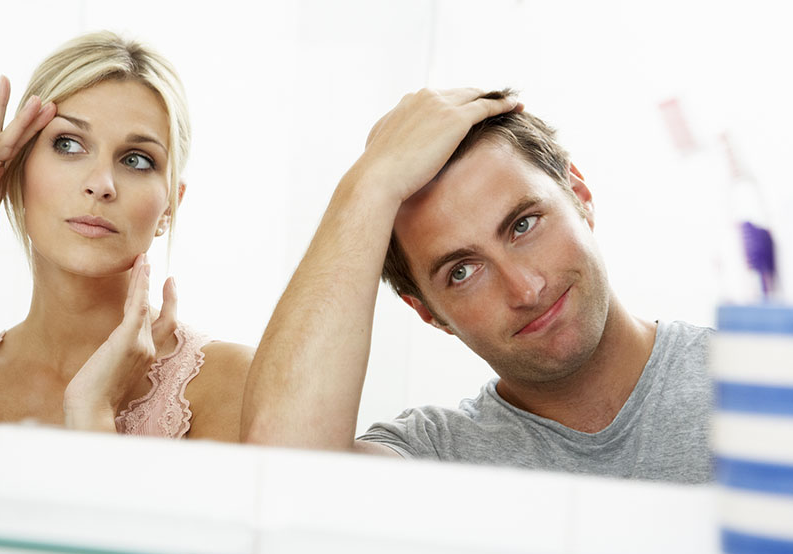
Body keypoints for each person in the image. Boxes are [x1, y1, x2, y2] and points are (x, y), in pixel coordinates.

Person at [240, 88, 712, 483]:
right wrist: (369, 183)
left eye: (524, 225)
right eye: (462, 271)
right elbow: (282, 479)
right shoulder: (438, 459)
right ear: (429, 312)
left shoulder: (762, 374)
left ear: (580, 197)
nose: (525, 289)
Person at [0, 31, 252, 440]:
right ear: (17, 170)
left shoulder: (232, 385)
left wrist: (93, 411)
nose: (101, 184)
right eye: (68, 144)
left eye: (136, 160)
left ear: (170, 205)